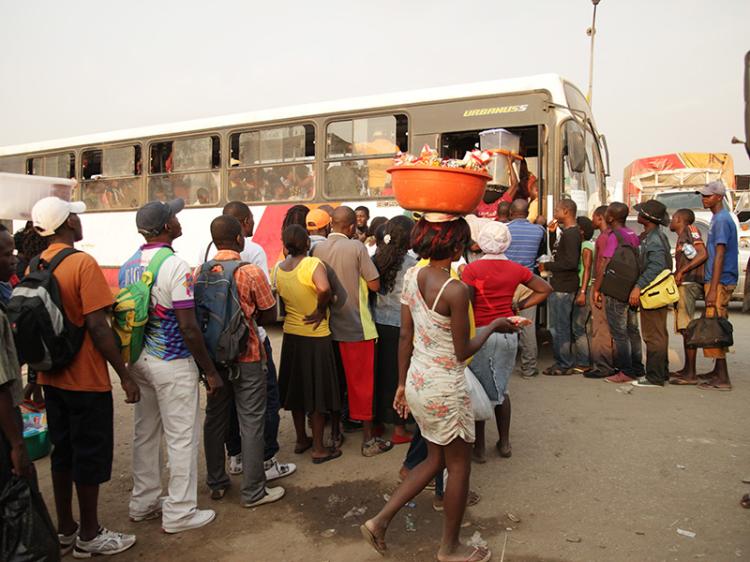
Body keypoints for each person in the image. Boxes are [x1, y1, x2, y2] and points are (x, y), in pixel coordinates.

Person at [361, 215, 520, 562]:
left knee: (435, 459)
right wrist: (495, 324)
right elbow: (463, 350)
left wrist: (401, 384)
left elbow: (405, 335)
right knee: (458, 466)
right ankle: (450, 548)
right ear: (458, 246)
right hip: (446, 386)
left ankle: (380, 521)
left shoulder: (412, 275)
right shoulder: (455, 289)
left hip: (419, 379)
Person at [30, 197, 138, 557]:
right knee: (90, 455)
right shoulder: (82, 263)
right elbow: (97, 325)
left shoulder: (37, 262)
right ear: (68, 224)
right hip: (86, 379)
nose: (79, 219)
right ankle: (90, 534)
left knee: (63, 453)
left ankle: (66, 528)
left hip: (51, 378)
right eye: (73, 215)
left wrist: (34, 377)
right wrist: (123, 374)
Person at [121, 199, 222, 534]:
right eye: (174, 217)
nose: (179, 221)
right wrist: (208, 370)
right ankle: (179, 511)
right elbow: (189, 326)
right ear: (166, 227)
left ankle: (144, 502)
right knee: (181, 436)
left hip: (139, 360)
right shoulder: (176, 267)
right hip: (172, 361)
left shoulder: (129, 265)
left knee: (145, 433)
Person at [200, 202, 294, 482]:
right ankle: (263, 468)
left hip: (216, 351)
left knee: (221, 412)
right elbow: (268, 312)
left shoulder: (202, 268)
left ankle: (230, 465)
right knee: (259, 410)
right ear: (240, 234)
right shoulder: (250, 266)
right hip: (251, 349)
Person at [463, 221, 552, 463]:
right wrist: (519, 306)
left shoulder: (470, 270)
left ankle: (479, 448)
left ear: (481, 242)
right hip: (508, 332)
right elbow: (545, 288)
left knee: (479, 389)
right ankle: (504, 442)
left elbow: (468, 305)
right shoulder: (516, 269)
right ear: (507, 242)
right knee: (502, 388)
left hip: (480, 333)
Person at [312, 207, 391, 457]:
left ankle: (335, 434)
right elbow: (374, 284)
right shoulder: (357, 248)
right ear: (349, 227)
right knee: (361, 386)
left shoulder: (318, 248)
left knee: (336, 384)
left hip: (328, 326)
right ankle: (368, 441)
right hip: (357, 326)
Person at [275, 225, 343, 463]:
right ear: (306, 244)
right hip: (316, 335)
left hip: (292, 335)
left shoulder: (279, 268)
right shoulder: (312, 265)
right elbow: (324, 288)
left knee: (297, 390)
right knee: (317, 393)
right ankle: (318, 448)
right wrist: (320, 308)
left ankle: (301, 439)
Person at [372, 216, 417, 444]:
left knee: (381, 375)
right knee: (401, 376)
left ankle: (378, 423)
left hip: (377, 325)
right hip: (402, 327)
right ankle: (400, 429)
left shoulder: (374, 258)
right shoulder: (412, 264)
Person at [593, 203, 644, 384]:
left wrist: (597, 288)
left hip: (616, 289)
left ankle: (626, 371)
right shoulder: (631, 234)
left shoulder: (613, 236)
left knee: (619, 333)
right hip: (631, 288)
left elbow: (604, 264)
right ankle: (637, 367)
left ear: (611, 217)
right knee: (632, 330)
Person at [696, 181, 738, 391]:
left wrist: (713, 288)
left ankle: (722, 377)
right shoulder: (717, 218)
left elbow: (720, 253)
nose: (704, 198)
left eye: (708, 196)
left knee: (715, 327)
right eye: (703, 195)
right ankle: (717, 371)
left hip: (720, 281)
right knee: (716, 324)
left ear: (719, 197)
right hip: (717, 279)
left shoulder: (721, 220)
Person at [629, 200, 673, 388]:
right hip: (655, 291)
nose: (637, 214)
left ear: (647, 218)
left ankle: (654, 377)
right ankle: (661, 373)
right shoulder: (653, 236)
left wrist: (638, 286)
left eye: (641, 212)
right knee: (659, 333)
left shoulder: (654, 239)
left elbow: (656, 266)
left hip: (652, 293)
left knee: (653, 335)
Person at [539, 199, 581, 376]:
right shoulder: (565, 232)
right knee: (558, 326)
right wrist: (551, 234)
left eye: (556, 210)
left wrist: (547, 266)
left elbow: (570, 262)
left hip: (564, 286)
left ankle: (563, 364)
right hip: (559, 284)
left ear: (566, 211)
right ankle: (562, 361)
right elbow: (557, 253)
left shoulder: (572, 234)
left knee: (560, 327)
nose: (554, 213)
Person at [505, 199, 546, 378]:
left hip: (505, 283)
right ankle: (529, 368)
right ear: (527, 211)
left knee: (503, 325)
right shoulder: (539, 231)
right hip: (529, 283)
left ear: (511, 212)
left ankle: (503, 366)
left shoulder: (504, 229)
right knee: (527, 327)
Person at [668, 209, 707, 385]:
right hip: (684, 283)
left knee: (687, 327)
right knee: (683, 328)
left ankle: (690, 373)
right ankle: (687, 368)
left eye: (673, 218)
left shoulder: (691, 230)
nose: (671, 220)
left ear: (679, 219)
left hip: (689, 283)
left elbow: (702, 253)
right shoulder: (682, 235)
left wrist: (682, 271)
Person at [587, 206, 615, 379]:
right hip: (609, 286)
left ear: (599, 218)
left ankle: (603, 365)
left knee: (600, 328)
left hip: (601, 286)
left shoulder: (604, 238)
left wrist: (596, 288)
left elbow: (601, 265)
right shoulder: (612, 236)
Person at [572, 216, 595, 374]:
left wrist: (582, 291)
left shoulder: (586, 246)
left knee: (578, 327)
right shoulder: (586, 244)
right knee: (585, 326)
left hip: (584, 288)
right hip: (585, 288)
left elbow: (587, 269)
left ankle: (583, 362)